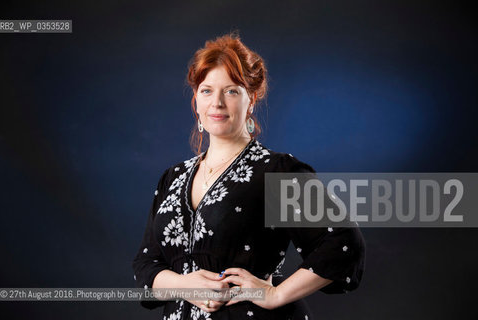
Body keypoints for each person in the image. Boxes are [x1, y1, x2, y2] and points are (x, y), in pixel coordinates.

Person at [132, 31, 366, 320]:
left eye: (231, 91)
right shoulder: (173, 177)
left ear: (251, 100)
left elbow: (343, 244)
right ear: (196, 101)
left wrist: (275, 294)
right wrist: (184, 285)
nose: (216, 102)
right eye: (207, 90)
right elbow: (146, 265)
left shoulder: (275, 171)